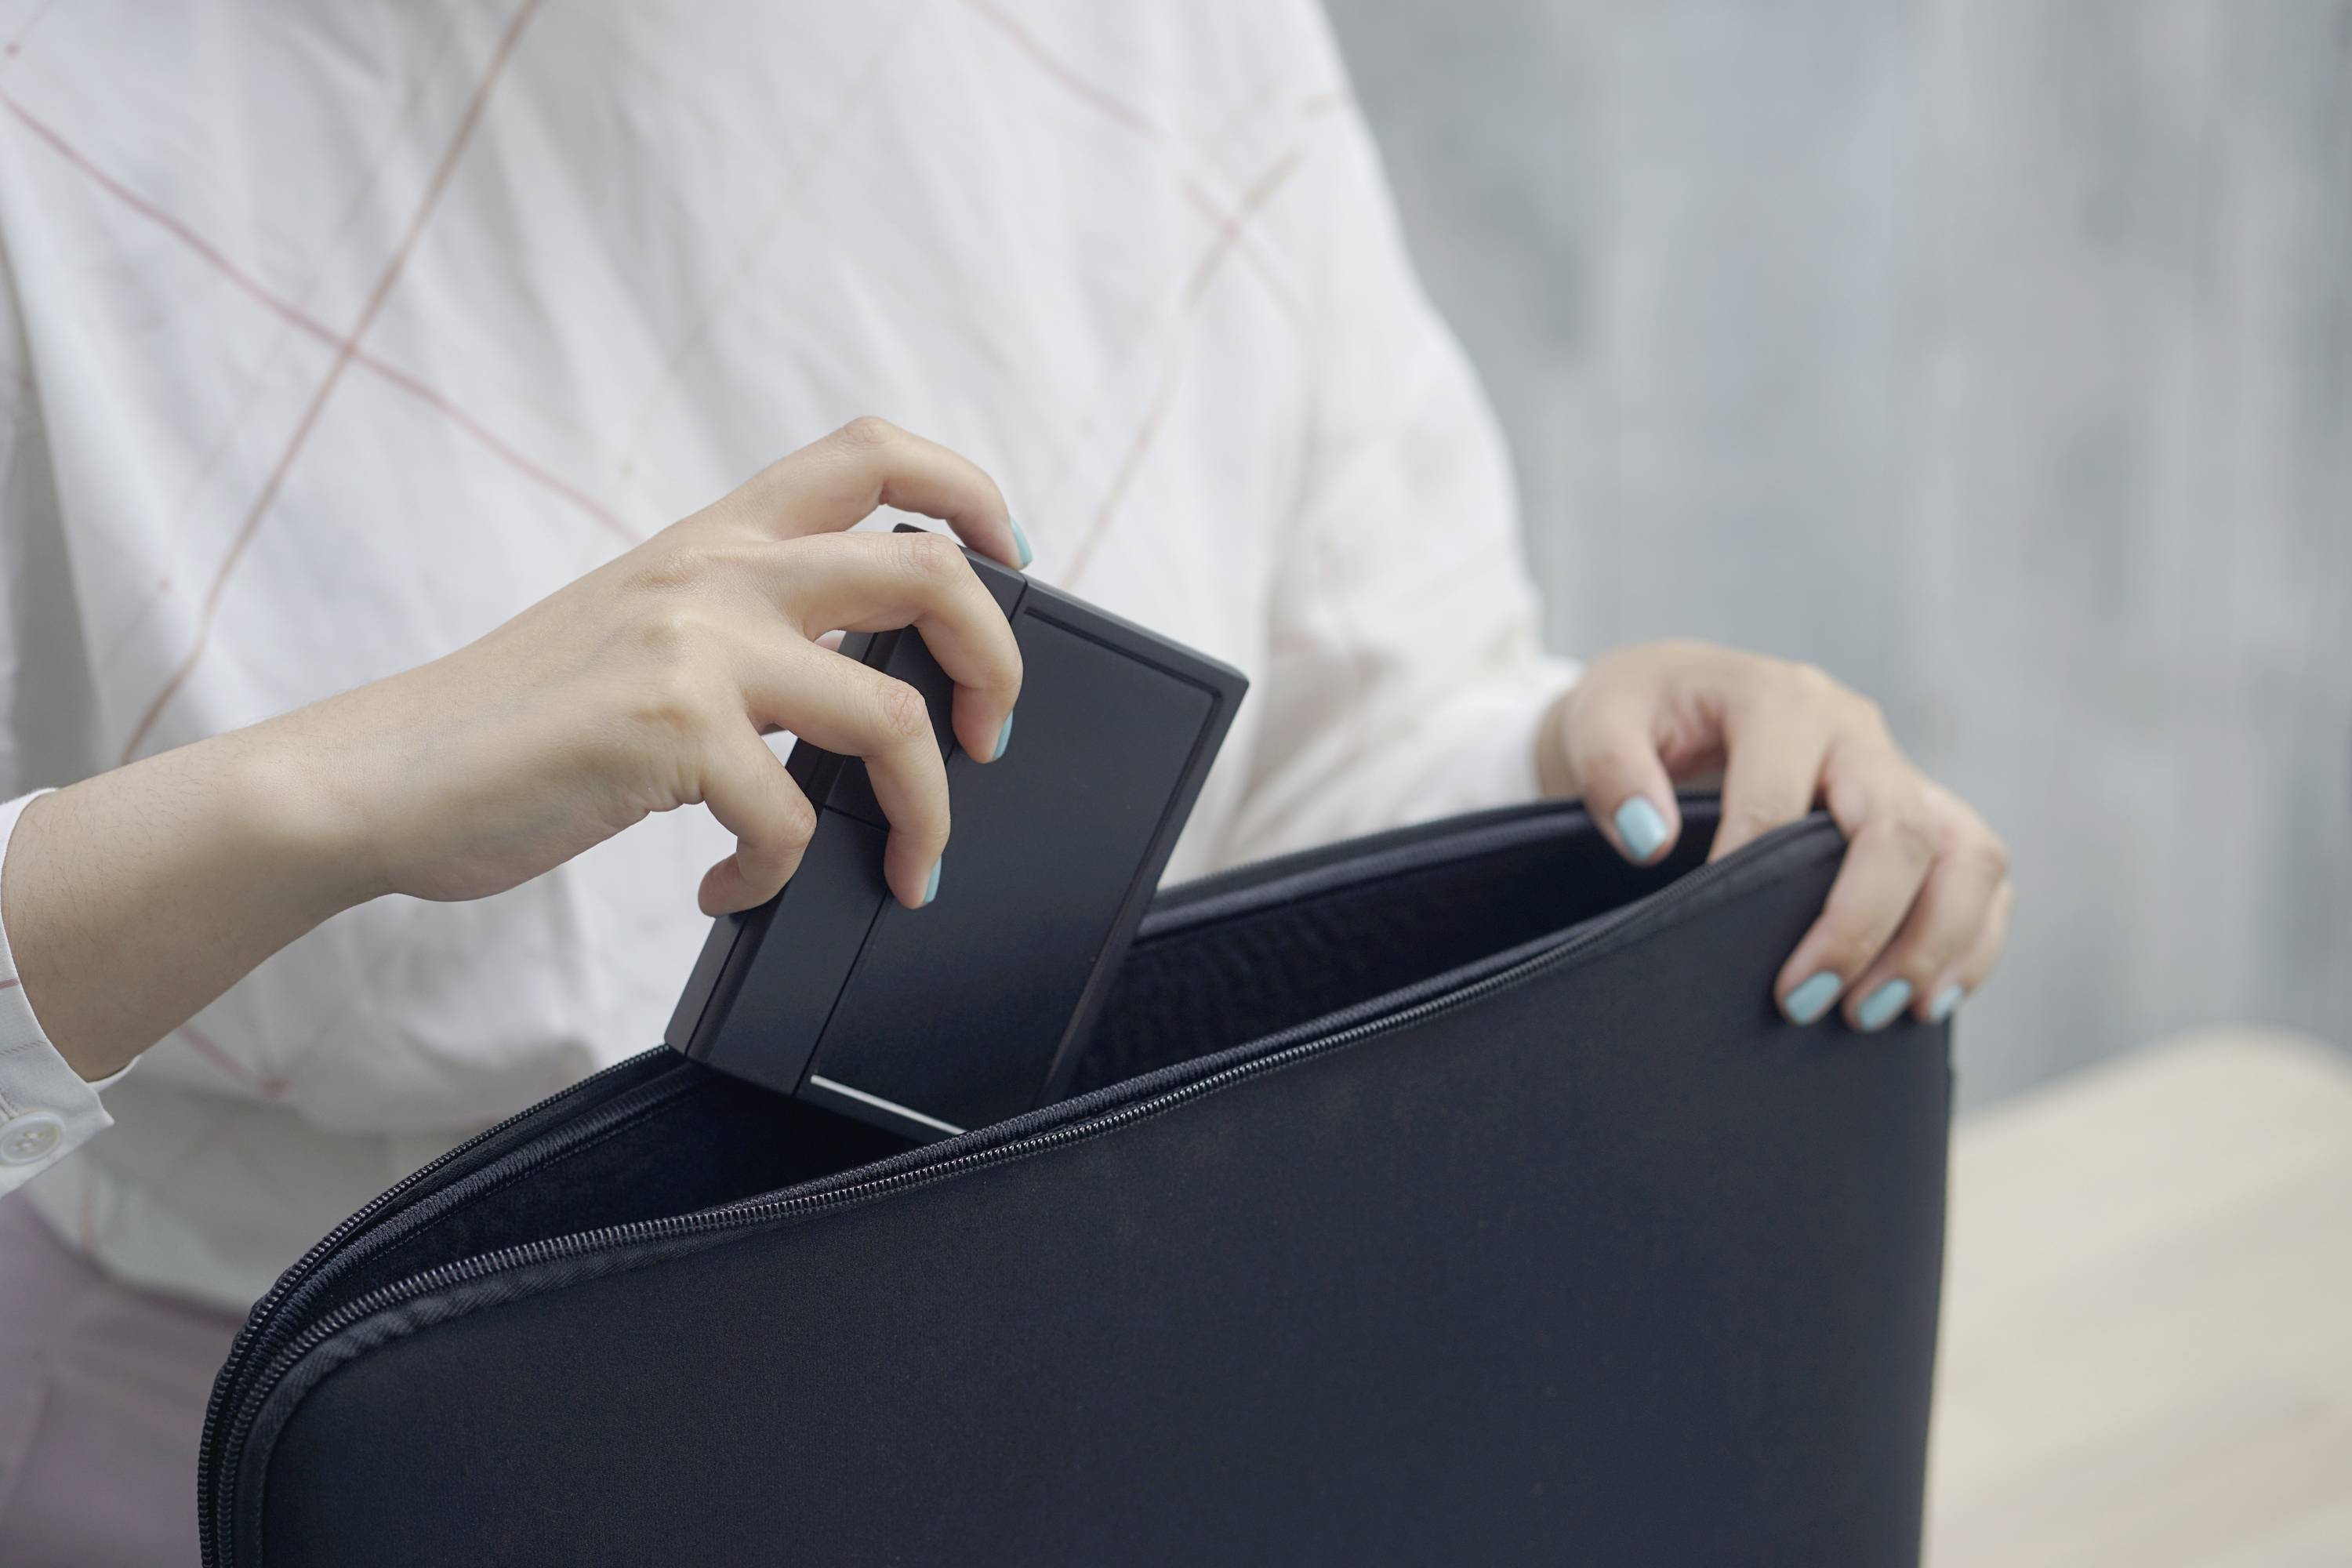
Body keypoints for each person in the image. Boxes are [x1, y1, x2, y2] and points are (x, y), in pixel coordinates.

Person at [0, 4, 2010, 1562]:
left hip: (1074, 1387)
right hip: (306, 1452)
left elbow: (1339, 734)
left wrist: (1591, 777)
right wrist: (313, 796)